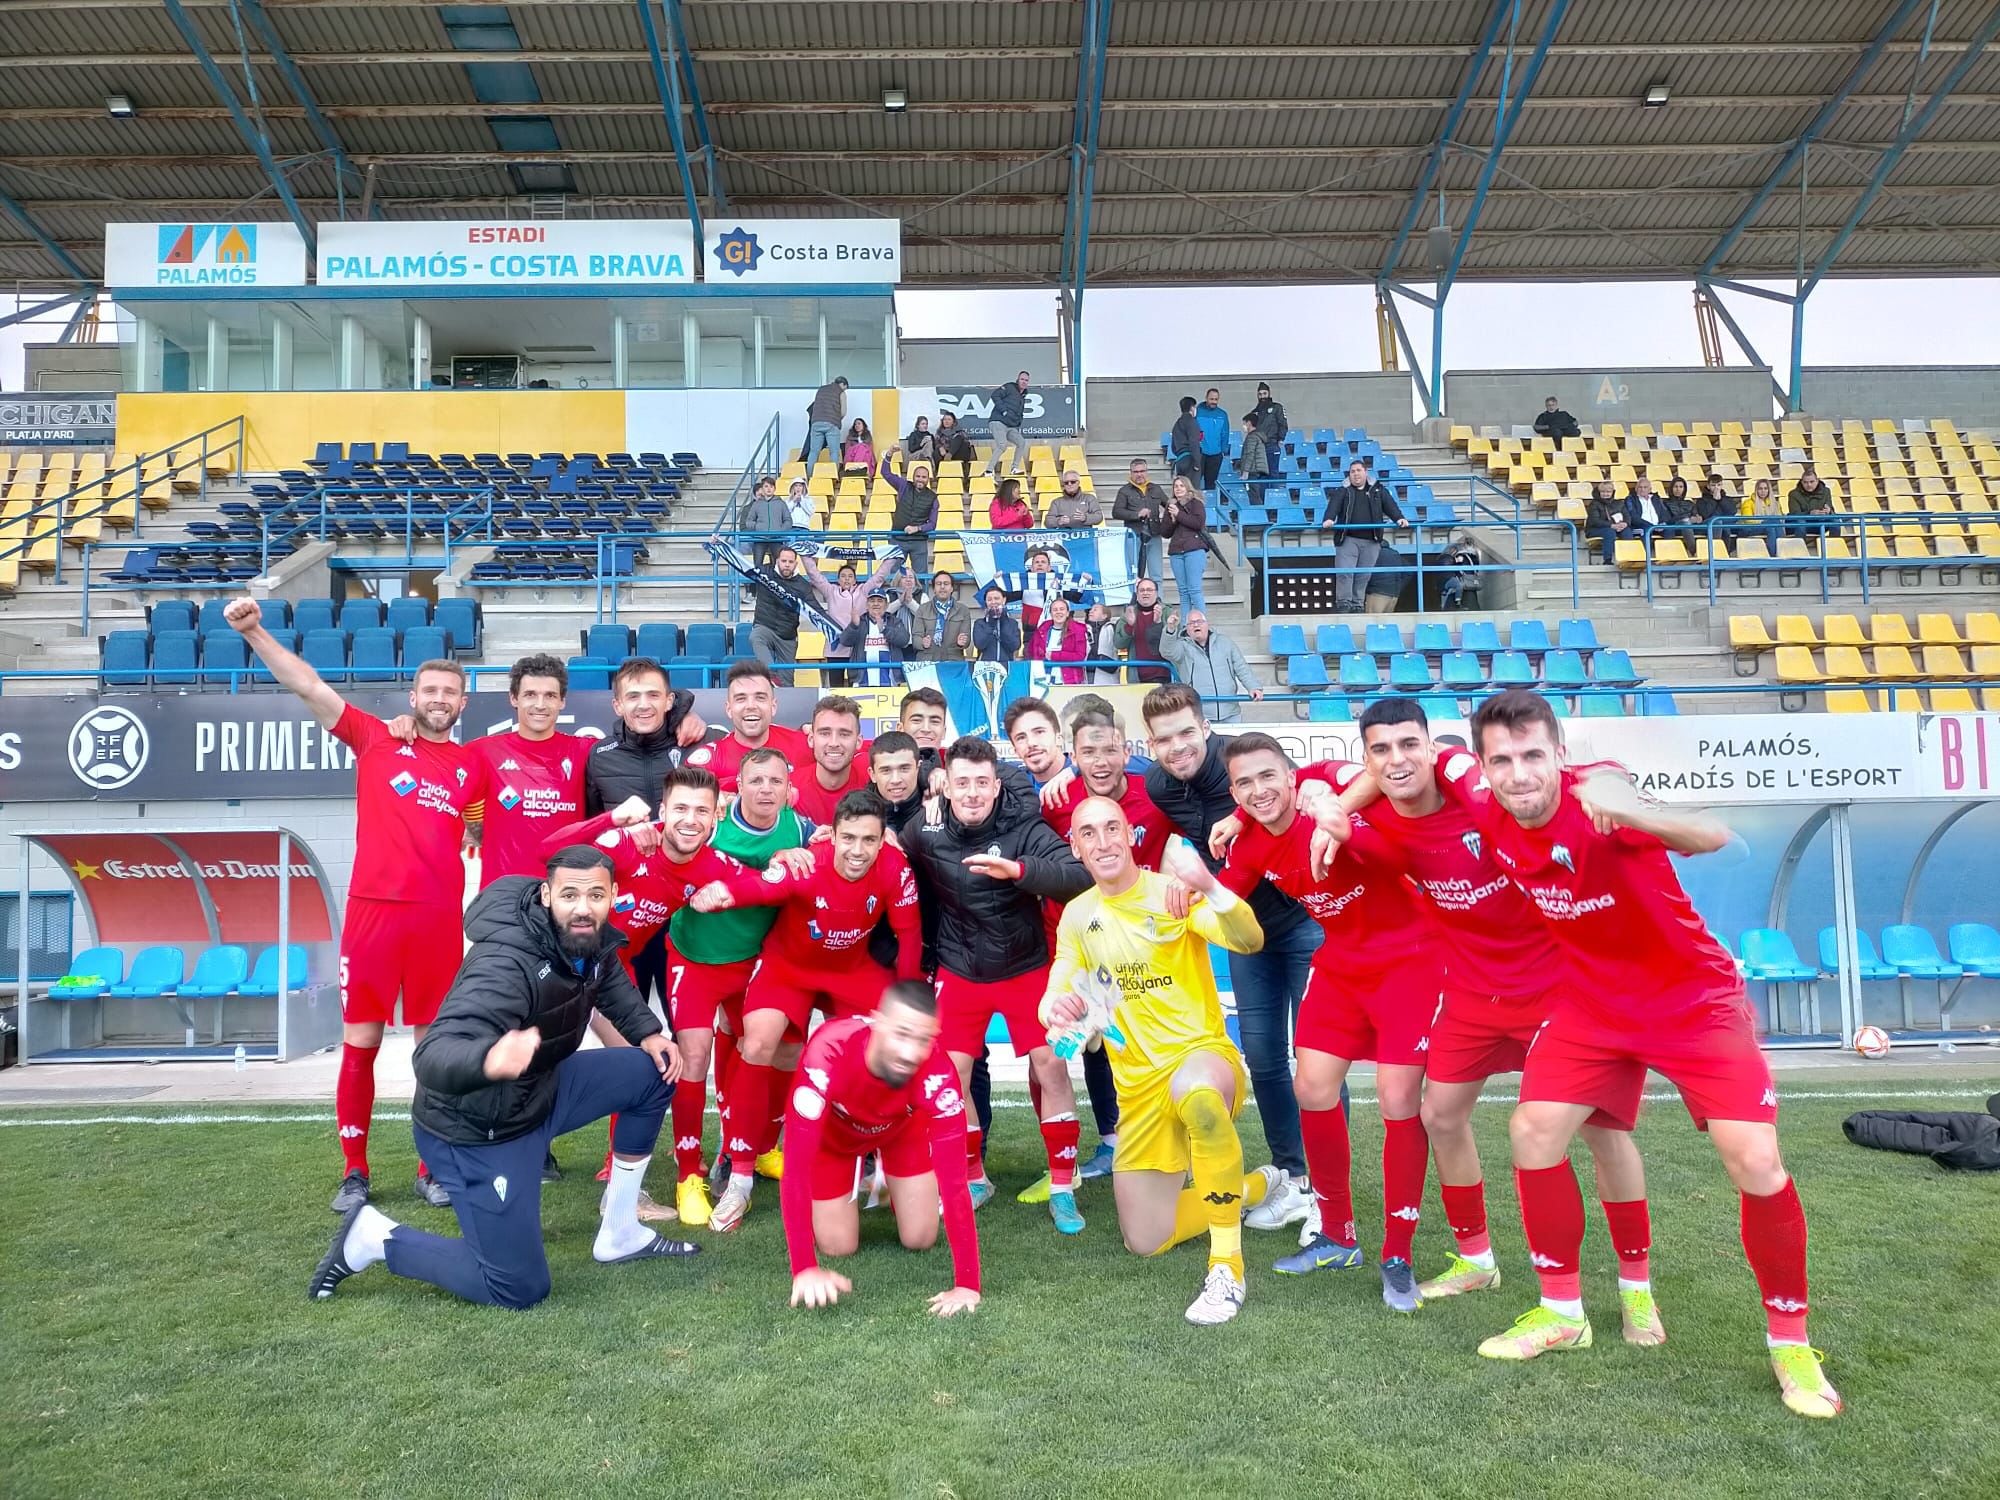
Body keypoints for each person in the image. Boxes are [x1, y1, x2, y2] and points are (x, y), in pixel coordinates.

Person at [1464, 690, 1841, 1419]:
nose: (1518, 775)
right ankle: (1563, 1312)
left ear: (1560, 755)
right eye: (1502, 760)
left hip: (1694, 1003)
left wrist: (1630, 808)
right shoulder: (1487, 810)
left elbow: (1710, 834)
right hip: (1593, 1007)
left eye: (1533, 756)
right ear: (1484, 768)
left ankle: (1790, 1342)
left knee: (1754, 1160)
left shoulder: (1602, 798)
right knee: (1532, 1132)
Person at [1297, 700, 1653, 1318]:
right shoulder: (1372, 795)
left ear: (1434, 749)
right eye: (1380, 750)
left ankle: (1636, 1287)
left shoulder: (1470, 783)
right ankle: (1476, 1259)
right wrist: (1331, 810)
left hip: (1560, 986)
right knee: (1439, 1114)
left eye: (1410, 745)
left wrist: (1611, 785)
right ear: (1366, 759)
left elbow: (1585, 775)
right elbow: (1307, 781)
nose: (1397, 760)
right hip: (1471, 992)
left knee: (1601, 1131)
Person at [308, 849, 698, 1308]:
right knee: (517, 1287)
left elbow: (605, 972)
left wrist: (648, 1033)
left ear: (613, 895)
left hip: (540, 1089)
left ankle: (620, 1230)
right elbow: (433, 1054)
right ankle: (374, 1237)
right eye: (569, 895)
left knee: (654, 1071)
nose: (583, 907)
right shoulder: (505, 963)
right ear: (546, 894)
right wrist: (488, 1060)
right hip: (479, 1127)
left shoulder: (585, 937)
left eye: (595, 895)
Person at [224, 595, 487, 1213]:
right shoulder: (374, 738)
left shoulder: (472, 767)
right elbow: (309, 685)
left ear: (463, 702)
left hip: (436, 921)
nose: (440, 699)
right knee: (361, 1042)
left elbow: (483, 821)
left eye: (451, 691)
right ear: (413, 696)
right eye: (430, 689)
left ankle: (433, 1166)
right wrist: (256, 633)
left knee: (434, 1050)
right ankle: (355, 1169)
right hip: (373, 915)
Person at [1209, 734, 1434, 1312]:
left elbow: (1369, 787)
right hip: (1340, 965)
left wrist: (1331, 812)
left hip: (1408, 962)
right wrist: (1183, 888)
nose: (1259, 792)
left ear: (1291, 775)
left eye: (1268, 777)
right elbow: (1221, 896)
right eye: (1243, 784)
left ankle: (1399, 1254)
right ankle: (1338, 1234)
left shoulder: (1331, 793)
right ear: (1232, 792)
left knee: (1397, 1098)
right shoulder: (1253, 842)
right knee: (1310, 1086)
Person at [1042, 799, 1273, 1324]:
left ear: (1129, 834)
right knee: (1146, 1239)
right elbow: (1060, 983)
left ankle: (1226, 1266)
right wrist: (1056, 1008)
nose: (1102, 842)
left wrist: (1210, 886)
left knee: (1197, 1096)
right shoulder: (1079, 915)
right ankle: (1262, 1185)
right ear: (1075, 848)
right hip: (1140, 1092)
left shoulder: (1171, 891)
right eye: (1088, 834)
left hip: (1203, 1059)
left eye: (1111, 829)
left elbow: (1249, 938)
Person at [540, 765, 772, 1222]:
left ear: (714, 818)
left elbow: (759, 884)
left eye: (701, 811)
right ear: (663, 810)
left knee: (638, 1065)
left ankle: (619, 1190)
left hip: (609, 975)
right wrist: (612, 821)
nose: (690, 820)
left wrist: (791, 859)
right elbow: (549, 851)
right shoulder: (630, 844)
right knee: (531, 1065)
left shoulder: (711, 865)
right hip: (553, 966)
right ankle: (495, 1160)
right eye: (680, 808)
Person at [691, 791, 925, 1232]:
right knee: (760, 1043)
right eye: (849, 838)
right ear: (831, 835)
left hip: (851, 969)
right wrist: (723, 893)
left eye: (868, 841)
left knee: (891, 1044)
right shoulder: (808, 862)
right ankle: (740, 1174)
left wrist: (907, 1003)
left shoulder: (897, 869)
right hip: (789, 967)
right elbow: (764, 886)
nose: (857, 851)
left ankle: (878, 1155)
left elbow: (909, 936)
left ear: (882, 842)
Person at [1139, 683, 1317, 1230]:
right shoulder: (1157, 785)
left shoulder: (1240, 756)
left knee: (1315, 1065)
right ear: (1151, 744)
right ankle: (1294, 1177)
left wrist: (1242, 813)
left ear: (1206, 730)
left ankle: (1325, 1192)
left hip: (1305, 922)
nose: (1178, 748)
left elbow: (1300, 780)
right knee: (1262, 1060)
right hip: (1243, 932)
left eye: (1187, 734)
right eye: (1165, 739)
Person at [901, 736, 1094, 1230]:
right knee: (950, 1077)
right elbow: (892, 861)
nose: (971, 793)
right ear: (946, 783)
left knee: (1051, 1067)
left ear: (995, 784)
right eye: (961, 782)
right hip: (959, 968)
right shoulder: (926, 828)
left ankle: (1062, 1184)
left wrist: (1020, 871)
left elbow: (1078, 875)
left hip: (1025, 966)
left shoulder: (1022, 825)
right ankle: (974, 1177)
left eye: (981, 783)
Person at [779, 981, 982, 1318]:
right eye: (901, 1034)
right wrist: (804, 1267)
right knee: (838, 1246)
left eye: (923, 1040)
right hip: (837, 1141)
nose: (910, 1052)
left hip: (901, 1132)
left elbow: (956, 1183)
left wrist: (967, 1285)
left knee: (920, 1238)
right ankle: (871, 1182)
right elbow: (796, 1170)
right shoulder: (828, 1051)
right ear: (878, 1021)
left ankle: (889, 1182)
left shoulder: (939, 1076)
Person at [462, 654, 590, 887]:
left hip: (564, 896)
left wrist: (681, 710)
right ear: (514, 698)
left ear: (562, 701)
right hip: (502, 898)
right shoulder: (480, 751)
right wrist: (408, 723)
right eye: (530, 694)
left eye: (550, 695)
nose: (540, 705)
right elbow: (431, 757)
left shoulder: (586, 750)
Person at [685, 659, 810, 793]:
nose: (751, 706)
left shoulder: (803, 744)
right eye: (741, 699)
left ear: (773, 706)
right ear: (729, 709)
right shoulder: (710, 759)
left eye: (760, 698)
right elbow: (685, 799)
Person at [1327, 459, 1409, 613]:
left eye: (1358, 470)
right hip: (1347, 539)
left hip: (1372, 540)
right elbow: (1333, 506)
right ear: (1349, 475)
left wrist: (1399, 518)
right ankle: (1344, 603)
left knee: (1363, 575)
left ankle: (1357, 604)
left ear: (1365, 472)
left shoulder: (1378, 490)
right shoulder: (1343, 490)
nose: (1355, 474)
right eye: (1352, 471)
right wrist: (1329, 519)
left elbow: (1390, 505)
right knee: (1345, 572)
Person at [807, 553, 900, 686]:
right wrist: (804, 555)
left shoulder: (863, 590)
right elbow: (814, 575)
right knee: (836, 688)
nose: (847, 579)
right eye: (843, 576)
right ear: (838, 580)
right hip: (835, 649)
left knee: (855, 687)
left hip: (857, 650)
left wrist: (891, 556)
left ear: (855, 580)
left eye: (850, 576)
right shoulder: (830, 591)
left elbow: (879, 576)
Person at [1159, 609, 1263, 723]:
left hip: (1230, 712)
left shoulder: (1225, 642)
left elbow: (1241, 667)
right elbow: (1166, 651)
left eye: (1199, 621)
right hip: (1199, 714)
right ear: (1187, 629)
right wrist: (1170, 629)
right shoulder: (1182, 646)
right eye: (1191, 623)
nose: (1196, 625)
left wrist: (1253, 687)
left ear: (1207, 624)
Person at [790, 694, 872, 825]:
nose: (834, 743)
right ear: (811, 739)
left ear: (858, 741)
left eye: (844, 734)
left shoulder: (874, 783)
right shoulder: (789, 788)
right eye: (825, 733)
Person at [746, 545, 820, 685]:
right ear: (777, 561)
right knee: (756, 637)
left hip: (787, 635)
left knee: (787, 682)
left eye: (790, 562)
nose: (787, 565)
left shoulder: (803, 585)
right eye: (784, 561)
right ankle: (771, 674)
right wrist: (718, 545)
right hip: (765, 626)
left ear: (795, 564)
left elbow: (817, 610)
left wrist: (835, 628)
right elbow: (737, 562)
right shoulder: (763, 572)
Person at [878, 445, 939, 579]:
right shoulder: (904, 485)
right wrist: (889, 454)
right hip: (897, 539)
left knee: (921, 578)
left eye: (924, 477)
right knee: (893, 577)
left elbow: (932, 524)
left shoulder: (933, 497)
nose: (920, 479)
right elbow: (886, 473)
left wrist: (917, 528)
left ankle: (922, 599)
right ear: (913, 476)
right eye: (918, 476)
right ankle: (893, 599)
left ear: (928, 479)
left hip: (919, 542)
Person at [840, 586, 910, 687]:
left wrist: (884, 630)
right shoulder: (860, 621)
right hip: (862, 679)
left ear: (886, 605)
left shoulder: (894, 621)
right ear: (867, 605)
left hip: (889, 680)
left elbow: (904, 640)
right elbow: (844, 641)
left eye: (880, 601)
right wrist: (853, 626)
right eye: (872, 601)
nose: (876, 604)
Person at [1113, 457, 1169, 581]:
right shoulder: (1124, 491)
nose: (1139, 474)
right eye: (1136, 472)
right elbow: (1116, 512)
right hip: (1134, 536)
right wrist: (1136, 514)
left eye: (1142, 471)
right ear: (1131, 473)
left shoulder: (1156, 489)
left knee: (1157, 575)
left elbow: (1169, 505)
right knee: (1134, 575)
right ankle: (1135, 600)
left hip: (1154, 534)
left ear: (1147, 472)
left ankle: (1158, 600)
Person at [1163, 473, 1211, 613]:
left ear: (1187, 487)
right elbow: (1165, 532)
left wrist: (1179, 514)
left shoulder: (1196, 503)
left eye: (1181, 486)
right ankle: (1185, 627)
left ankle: (1202, 623)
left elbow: (1198, 523)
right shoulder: (1171, 505)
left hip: (1194, 549)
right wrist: (1171, 519)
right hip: (1176, 551)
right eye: (1176, 486)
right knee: (1183, 592)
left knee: (1194, 589)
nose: (1178, 489)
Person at [907, 569, 973, 662]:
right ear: (934, 589)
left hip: (953, 661)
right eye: (938, 584)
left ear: (951, 588)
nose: (942, 587)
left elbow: (967, 640)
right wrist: (922, 642)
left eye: (946, 584)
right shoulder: (923, 609)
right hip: (927, 660)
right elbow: (916, 638)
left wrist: (962, 642)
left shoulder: (963, 610)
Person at [1116, 576, 1171, 684]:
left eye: (1149, 590)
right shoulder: (1128, 614)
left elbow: (1171, 645)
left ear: (1156, 593)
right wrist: (1130, 626)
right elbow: (1118, 644)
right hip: (1136, 677)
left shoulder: (1167, 613)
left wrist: (1158, 623)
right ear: (1137, 594)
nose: (1145, 593)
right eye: (1142, 590)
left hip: (1164, 675)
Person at [1030, 594, 1090, 684]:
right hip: (1043, 679)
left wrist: (1054, 656)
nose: (1058, 612)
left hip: (1068, 680)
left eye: (1062, 609)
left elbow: (1080, 656)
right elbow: (1032, 652)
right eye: (1055, 610)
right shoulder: (1042, 629)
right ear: (1051, 613)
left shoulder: (1078, 630)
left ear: (1067, 613)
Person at [987, 370, 1032, 478]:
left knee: (1021, 442)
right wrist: (1004, 411)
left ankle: (1014, 468)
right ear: (1018, 379)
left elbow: (1019, 412)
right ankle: (988, 471)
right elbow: (995, 395)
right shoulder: (1009, 387)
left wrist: (1017, 423)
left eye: (1026, 380)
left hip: (1011, 426)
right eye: (1022, 379)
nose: (1024, 382)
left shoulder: (1024, 395)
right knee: (1002, 445)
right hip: (998, 421)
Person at [740, 475, 790, 568]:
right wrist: (758, 527)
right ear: (762, 489)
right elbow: (749, 521)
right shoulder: (756, 504)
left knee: (779, 566)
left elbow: (788, 521)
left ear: (775, 489)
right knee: (757, 566)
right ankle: (759, 583)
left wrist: (780, 530)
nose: (769, 489)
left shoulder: (781, 503)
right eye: (766, 486)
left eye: (771, 486)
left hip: (776, 539)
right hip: (760, 539)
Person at [1584, 478, 1636, 567]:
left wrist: (1625, 523)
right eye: (1603, 492)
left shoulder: (1619, 503)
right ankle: (1607, 560)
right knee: (1609, 532)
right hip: (1595, 529)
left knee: (1627, 531)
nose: (1606, 494)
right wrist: (1612, 525)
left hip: (1616, 526)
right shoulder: (1594, 504)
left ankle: (1628, 557)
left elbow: (1627, 516)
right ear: (1599, 492)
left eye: (1608, 492)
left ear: (1612, 492)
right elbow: (1594, 521)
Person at [802, 375, 848, 474]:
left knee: (814, 452)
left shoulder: (821, 390)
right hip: (831, 424)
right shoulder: (841, 392)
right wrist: (837, 419)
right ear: (843, 384)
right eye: (845, 388)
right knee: (834, 452)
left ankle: (810, 477)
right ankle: (834, 476)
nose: (845, 390)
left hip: (816, 423)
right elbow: (843, 412)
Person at [1788, 466, 1838, 549]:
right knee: (1800, 523)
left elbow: (1831, 508)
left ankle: (1833, 549)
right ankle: (1800, 551)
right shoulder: (1793, 494)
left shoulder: (1826, 491)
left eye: (1812, 481)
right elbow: (1794, 515)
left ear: (1817, 481)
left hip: (1821, 522)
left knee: (1836, 521)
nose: (1809, 485)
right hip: (1804, 524)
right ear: (1801, 482)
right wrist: (1809, 514)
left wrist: (1829, 511)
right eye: (1805, 482)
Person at [972, 585, 1022, 663]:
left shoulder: (1013, 623)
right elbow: (980, 644)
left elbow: (1014, 646)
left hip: (1007, 665)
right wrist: (990, 623)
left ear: (1004, 600)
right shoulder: (980, 623)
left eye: (996, 598)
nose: (993, 602)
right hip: (985, 666)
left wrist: (1003, 620)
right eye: (989, 599)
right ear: (985, 602)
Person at [1196, 387, 1230, 493]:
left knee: (1211, 484)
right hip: (1200, 453)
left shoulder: (1222, 414)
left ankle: (1210, 507)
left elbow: (1225, 433)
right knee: (1195, 482)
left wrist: (1223, 450)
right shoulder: (1198, 412)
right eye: (1211, 399)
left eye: (1216, 399)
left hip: (1216, 454)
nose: (1213, 402)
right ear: (1206, 398)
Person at [1696, 473, 1739, 553]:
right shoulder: (1701, 501)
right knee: (1717, 521)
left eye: (1718, 485)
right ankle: (1715, 552)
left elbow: (1732, 511)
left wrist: (1720, 500)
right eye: (1713, 485)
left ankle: (1725, 554)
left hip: (1724, 524)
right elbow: (1705, 514)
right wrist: (1714, 500)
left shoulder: (1727, 499)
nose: (1716, 488)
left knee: (1726, 527)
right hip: (1707, 524)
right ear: (1708, 486)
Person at [934, 411, 976, 487]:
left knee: (958, 438)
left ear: (953, 421)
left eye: (949, 419)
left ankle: (949, 455)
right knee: (936, 451)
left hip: (960, 454)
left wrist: (950, 451)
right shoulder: (939, 432)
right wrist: (940, 447)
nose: (946, 421)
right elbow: (936, 442)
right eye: (945, 419)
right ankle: (939, 474)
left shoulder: (960, 431)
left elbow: (966, 443)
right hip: (944, 454)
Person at [1170, 396, 1204, 484]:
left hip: (1180, 460)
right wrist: (1197, 462)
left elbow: (1173, 447)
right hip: (1190, 460)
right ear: (1192, 408)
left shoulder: (1176, 424)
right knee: (1193, 490)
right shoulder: (1192, 422)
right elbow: (1194, 443)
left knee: (1183, 490)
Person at [1085, 602, 1121, 683]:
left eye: (1095, 610)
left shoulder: (1112, 628)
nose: (1091, 611)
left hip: (1106, 676)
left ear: (1104, 616)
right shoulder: (1082, 629)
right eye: (1091, 609)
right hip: (1087, 673)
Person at [1656, 477, 1698, 545]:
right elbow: (1667, 519)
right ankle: (1694, 552)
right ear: (1671, 488)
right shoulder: (1665, 502)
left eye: (1681, 487)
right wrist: (1686, 519)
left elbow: (1696, 515)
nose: (1678, 489)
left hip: (1692, 527)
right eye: (1676, 487)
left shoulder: (1690, 503)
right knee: (1685, 523)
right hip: (1675, 527)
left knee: (1713, 522)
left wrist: (1697, 519)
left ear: (1684, 489)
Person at [1236, 413, 1271, 494]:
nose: (1243, 426)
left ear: (1249, 423)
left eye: (1244, 423)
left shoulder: (1252, 437)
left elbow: (1250, 455)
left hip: (1252, 470)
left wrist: (1245, 472)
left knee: (1253, 495)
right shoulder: (1258, 436)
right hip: (1257, 470)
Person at [1249, 381, 1288, 454]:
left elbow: (1283, 424)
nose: (1262, 396)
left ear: (1269, 393)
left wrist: (1281, 439)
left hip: (1273, 445)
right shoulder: (1254, 412)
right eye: (1260, 394)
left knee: (1273, 465)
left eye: (1264, 393)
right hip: (1258, 446)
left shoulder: (1277, 407)